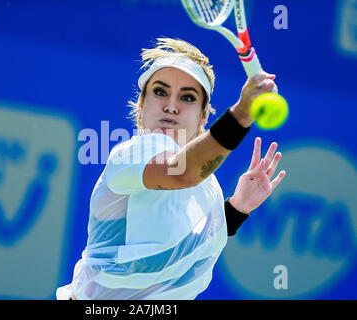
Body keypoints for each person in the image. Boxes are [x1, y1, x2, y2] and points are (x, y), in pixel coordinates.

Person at [56, 37, 286, 300]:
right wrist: (242, 115)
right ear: (141, 106)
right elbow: (183, 172)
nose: (171, 105)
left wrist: (236, 208)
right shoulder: (131, 154)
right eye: (160, 92)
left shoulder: (207, 185)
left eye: (187, 97)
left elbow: (188, 248)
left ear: (203, 115)